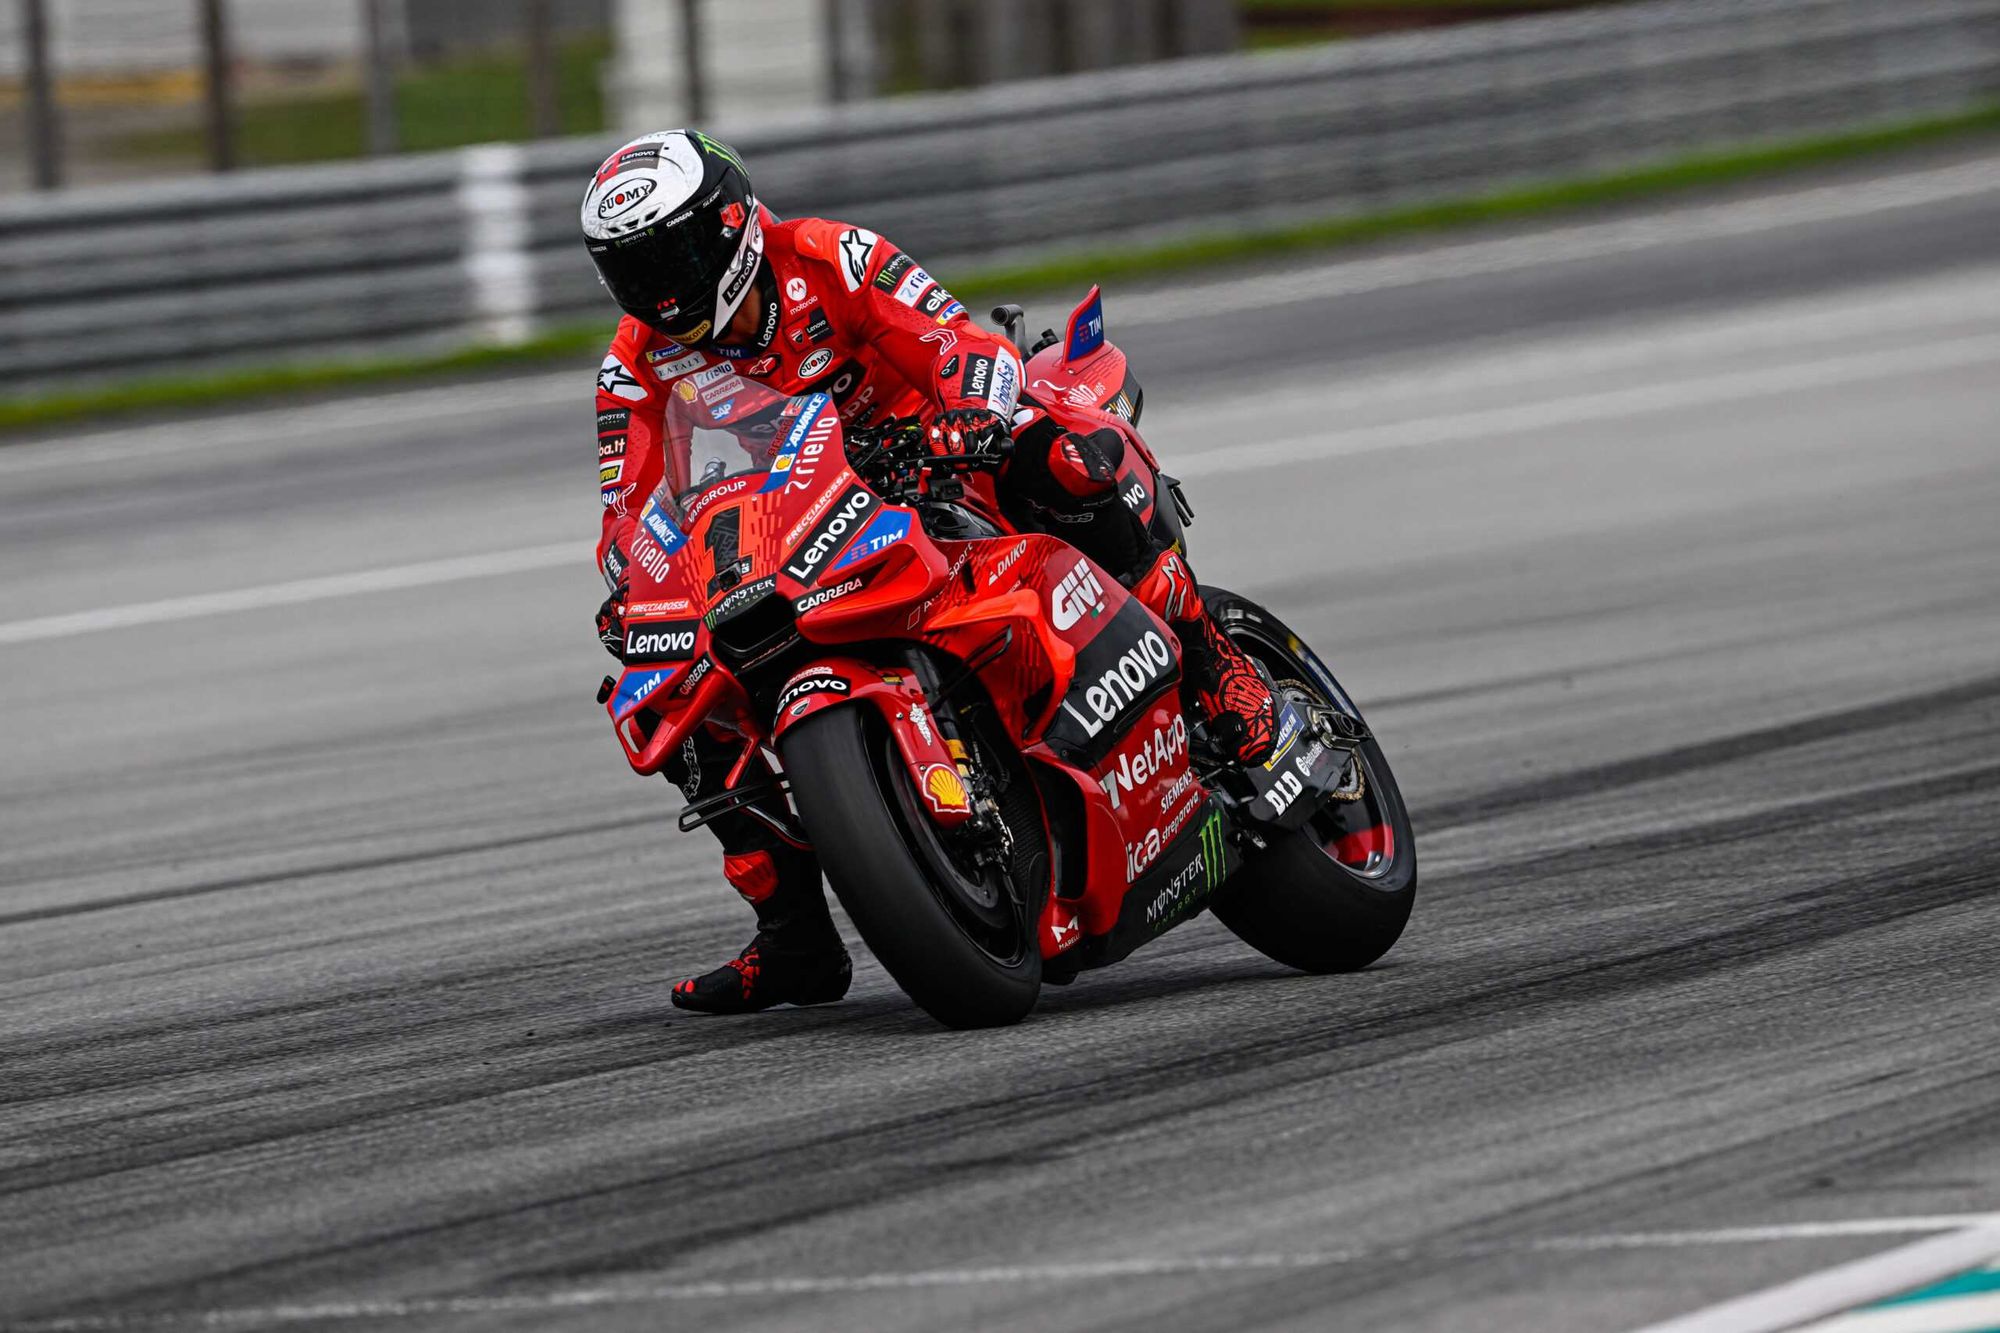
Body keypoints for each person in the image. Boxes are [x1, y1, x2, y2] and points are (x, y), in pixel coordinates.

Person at [581, 129, 1278, 1014]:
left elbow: (955, 338)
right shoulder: (632, 366)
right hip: (785, 535)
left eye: (673, 256)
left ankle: (1217, 668)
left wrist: (968, 410)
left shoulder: (828, 257)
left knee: (1064, 459)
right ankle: (795, 936)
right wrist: (634, 586)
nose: (661, 288)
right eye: (634, 270)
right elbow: (630, 511)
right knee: (670, 693)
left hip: (933, 459)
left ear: (730, 225)